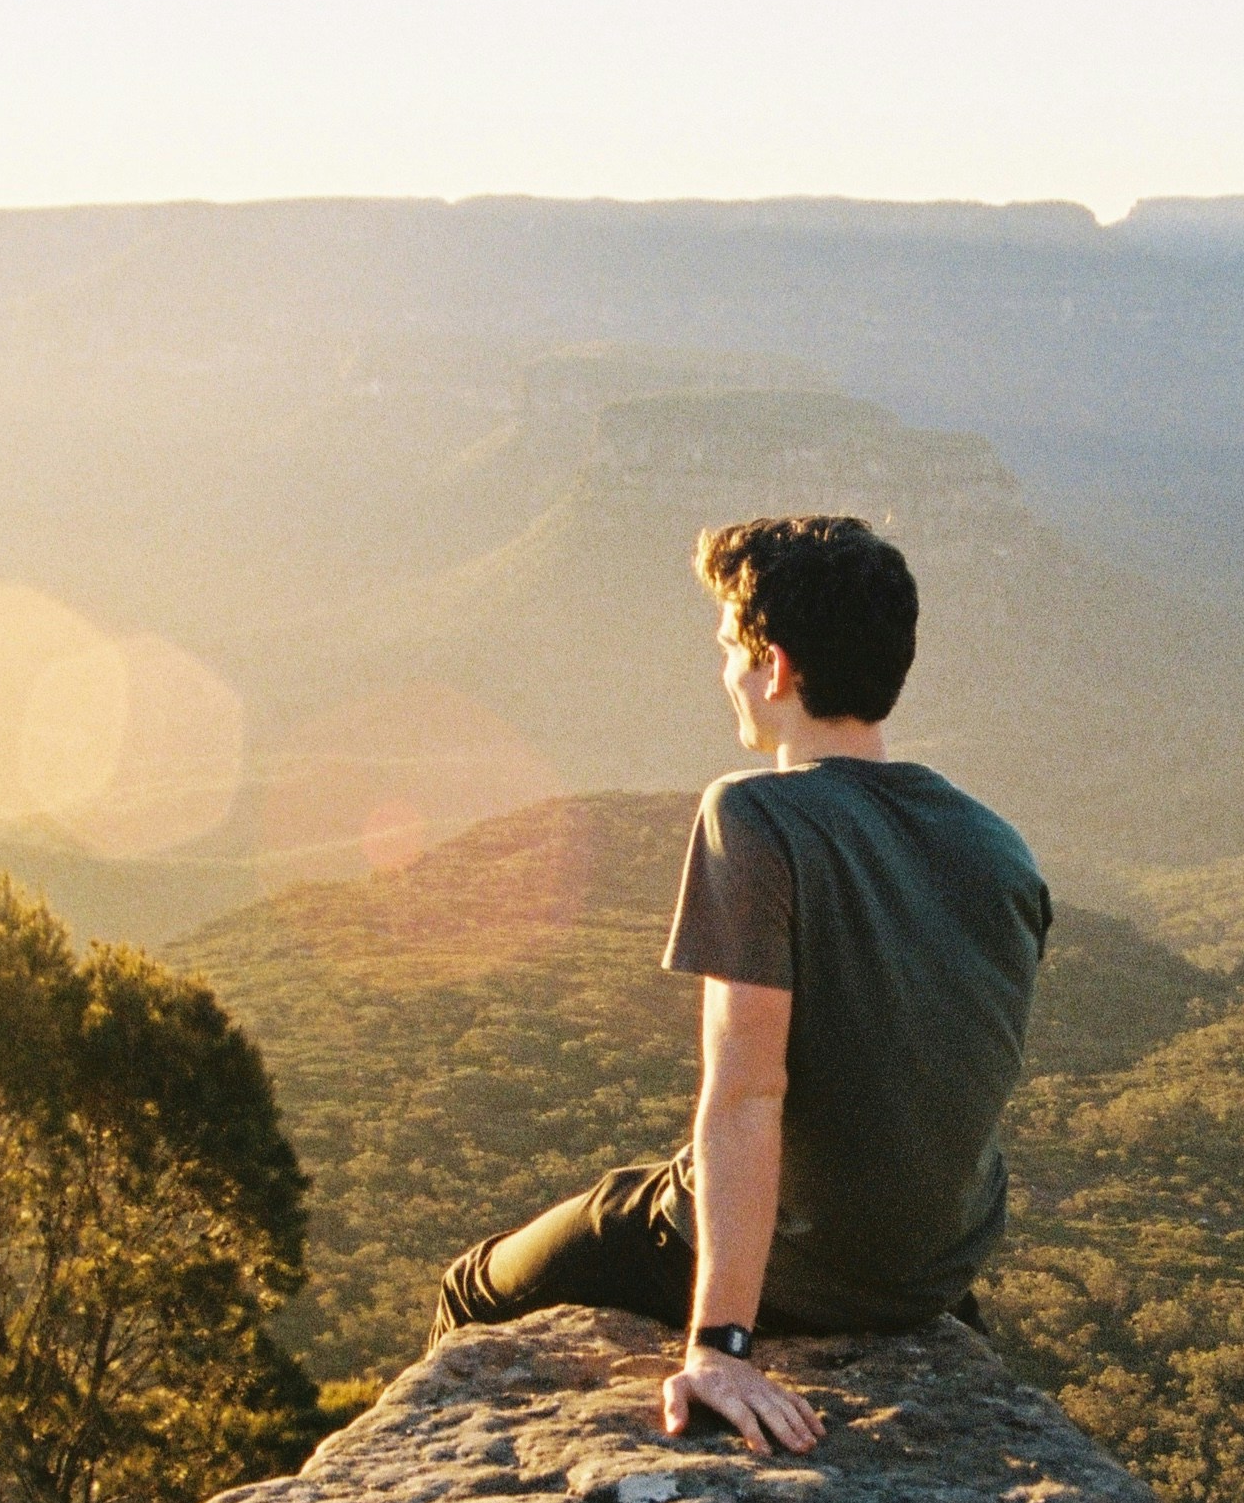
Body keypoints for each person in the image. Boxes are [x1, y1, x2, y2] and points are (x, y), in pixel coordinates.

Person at [428, 512, 1051, 1454]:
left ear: (777, 665)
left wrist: (720, 1344)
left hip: (800, 1269)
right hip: (931, 1279)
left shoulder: (754, 817)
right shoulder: (1000, 847)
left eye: (730, 646)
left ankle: (442, 1466)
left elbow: (748, 1095)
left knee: (471, 1288)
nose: (725, 672)